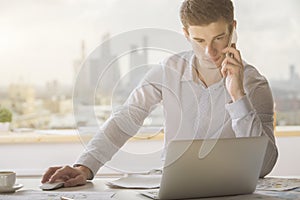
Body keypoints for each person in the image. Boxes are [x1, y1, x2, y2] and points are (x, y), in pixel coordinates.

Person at [42, 0, 278, 187]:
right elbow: (127, 117)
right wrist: (85, 166)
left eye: (218, 38)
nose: (210, 52)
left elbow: (264, 166)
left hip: (232, 192)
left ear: (233, 29)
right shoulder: (169, 70)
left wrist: (238, 96)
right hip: (172, 188)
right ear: (186, 34)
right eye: (199, 40)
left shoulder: (254, 84)